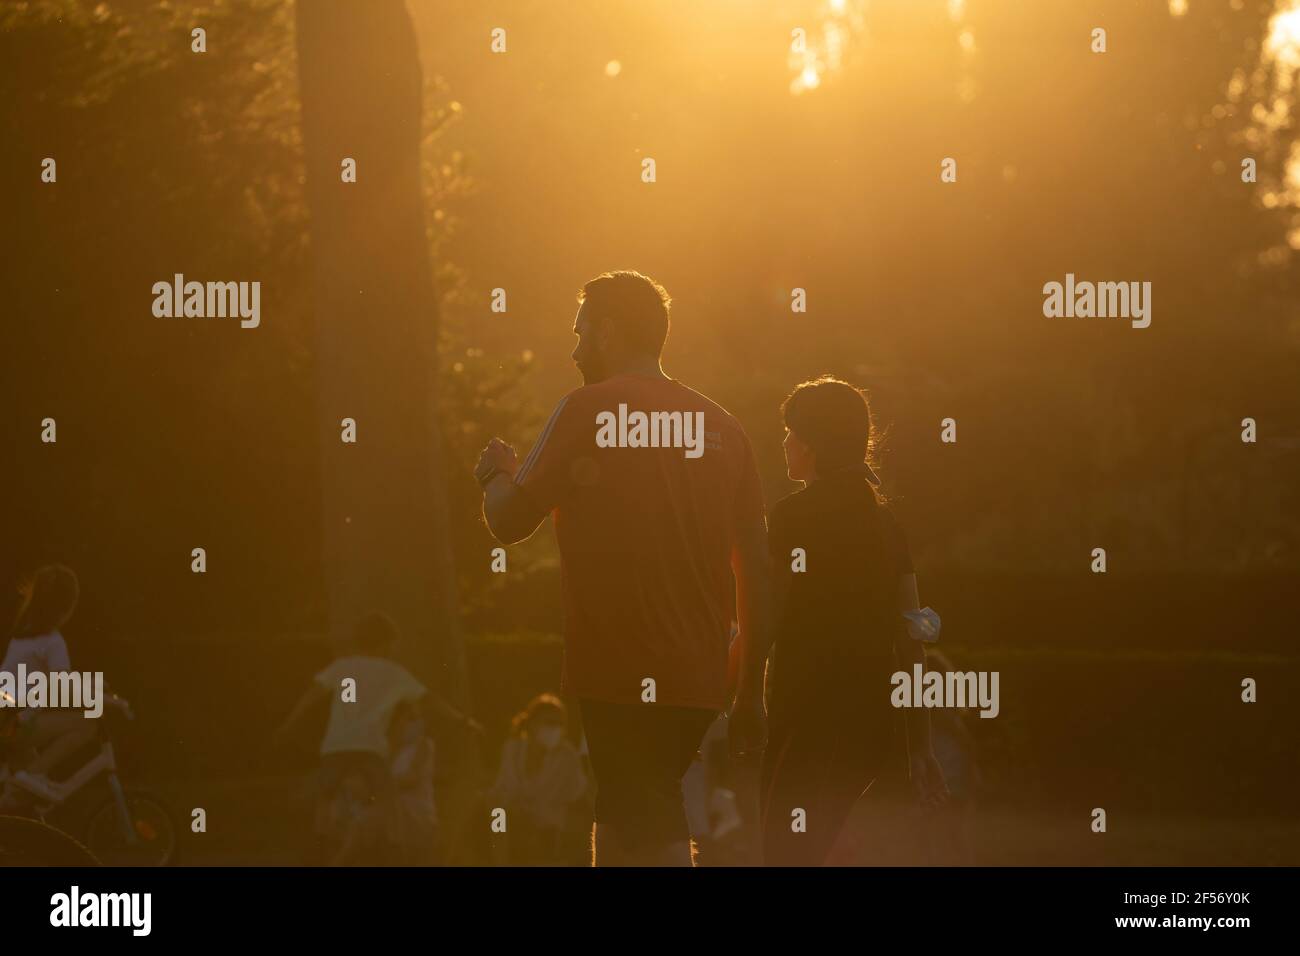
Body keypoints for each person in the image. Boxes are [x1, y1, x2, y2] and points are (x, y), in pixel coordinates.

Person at [476, 270, 773, 867]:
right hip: (700, 675)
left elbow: (508, 522)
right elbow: (758, 571)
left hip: (619, 665)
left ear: (608, 332)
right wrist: (749, 694)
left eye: (581, 332)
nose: (575, 347)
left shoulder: (586, 408)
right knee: (626, 817)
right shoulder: (725, 430)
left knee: (647, 818)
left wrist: (494, 474)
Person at [759, 376, 947, 866]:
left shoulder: (789, 517)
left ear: (813, 443)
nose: (784, 442)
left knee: (784, 852)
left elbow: (766, 618)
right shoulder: (887, 526)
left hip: (803, 714)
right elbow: (914, 638)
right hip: (867, 725)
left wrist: (742, 700)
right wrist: (920, 745)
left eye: (790, 432)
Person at [273, 611, 481, 864]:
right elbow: (429, 700)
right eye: (393, 643)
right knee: (386, 801)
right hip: (370, 749)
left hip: (335, 747)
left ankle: (324, 845)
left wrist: (289, 724)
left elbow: (312, 695)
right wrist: (462, 720)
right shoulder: (394, 672)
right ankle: (390, 852)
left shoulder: (342, 666)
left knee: (326, 798)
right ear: (386, 642)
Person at [0, 564, 97, 790]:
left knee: (31, 798)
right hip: (12, 724)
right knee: (88, 724)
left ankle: (22, 788)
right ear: (67, 607)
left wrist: (92, 687)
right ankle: (29, 778)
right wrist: (105, 700)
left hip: (9, 719)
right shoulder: (53, 642)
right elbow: (65, 687)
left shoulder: (23, 635)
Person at [488, 694, 589, 865]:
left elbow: (578, 794)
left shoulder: (567, 755)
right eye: (549, 723)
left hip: (546, 830)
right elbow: (501, 787)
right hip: (511, 823)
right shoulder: (512, 749)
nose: (554, 729)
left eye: (559, 724)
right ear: (533, 724)